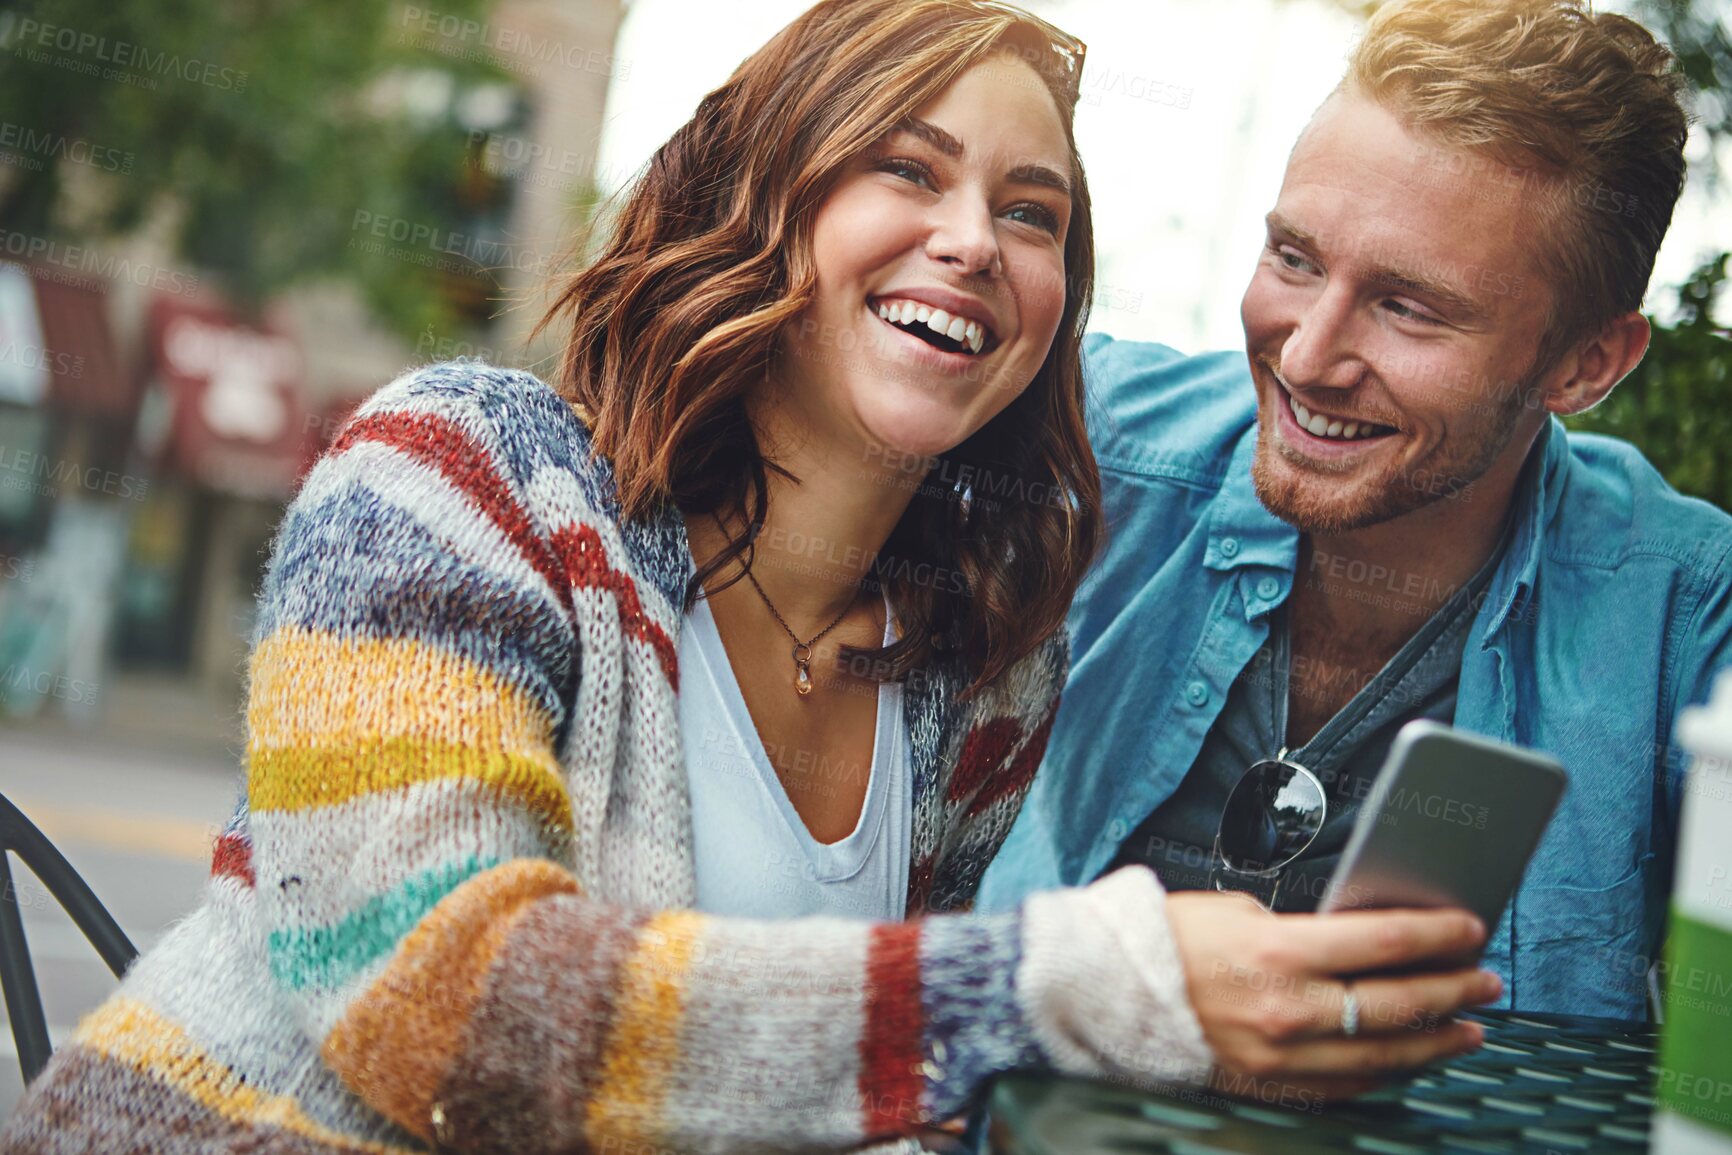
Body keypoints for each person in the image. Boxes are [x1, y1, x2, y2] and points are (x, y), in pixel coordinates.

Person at [2, 3, 1499, 1153]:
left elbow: (854, 1073)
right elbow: (443, 1009)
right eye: (906, 169)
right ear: (763, 203)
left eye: (1032, 211)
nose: (974, 240)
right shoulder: (457, 475)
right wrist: (1070, 977)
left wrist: (1197, 1029)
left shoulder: (980, 658)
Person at [980, 0, 1732, 1024]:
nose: (1302, 358)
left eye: (1407, 307)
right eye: (1294, 259)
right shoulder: (1079, 438)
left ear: (1585, 363)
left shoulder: (1685, 611)